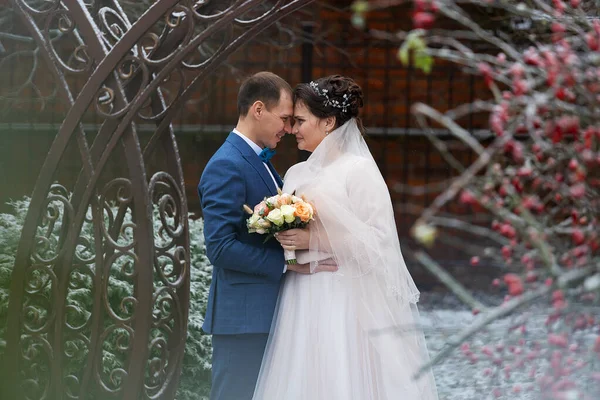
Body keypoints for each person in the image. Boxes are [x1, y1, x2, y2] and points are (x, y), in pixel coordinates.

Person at [252, 75, 439, 399]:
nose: (293, 129)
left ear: (328, 122)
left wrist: (315, 242)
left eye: (300, 121)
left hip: (344, 300)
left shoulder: (359, 171)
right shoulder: (297, 173)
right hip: (300, 297)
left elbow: (380, 244)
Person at [198, 71, 337, 400]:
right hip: (242, 321)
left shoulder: (257, 160)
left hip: (263, 315)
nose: (289, 129)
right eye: (286, 119)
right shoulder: (227, 165)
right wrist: (285, 264)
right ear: (258, 109)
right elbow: (220, 247)